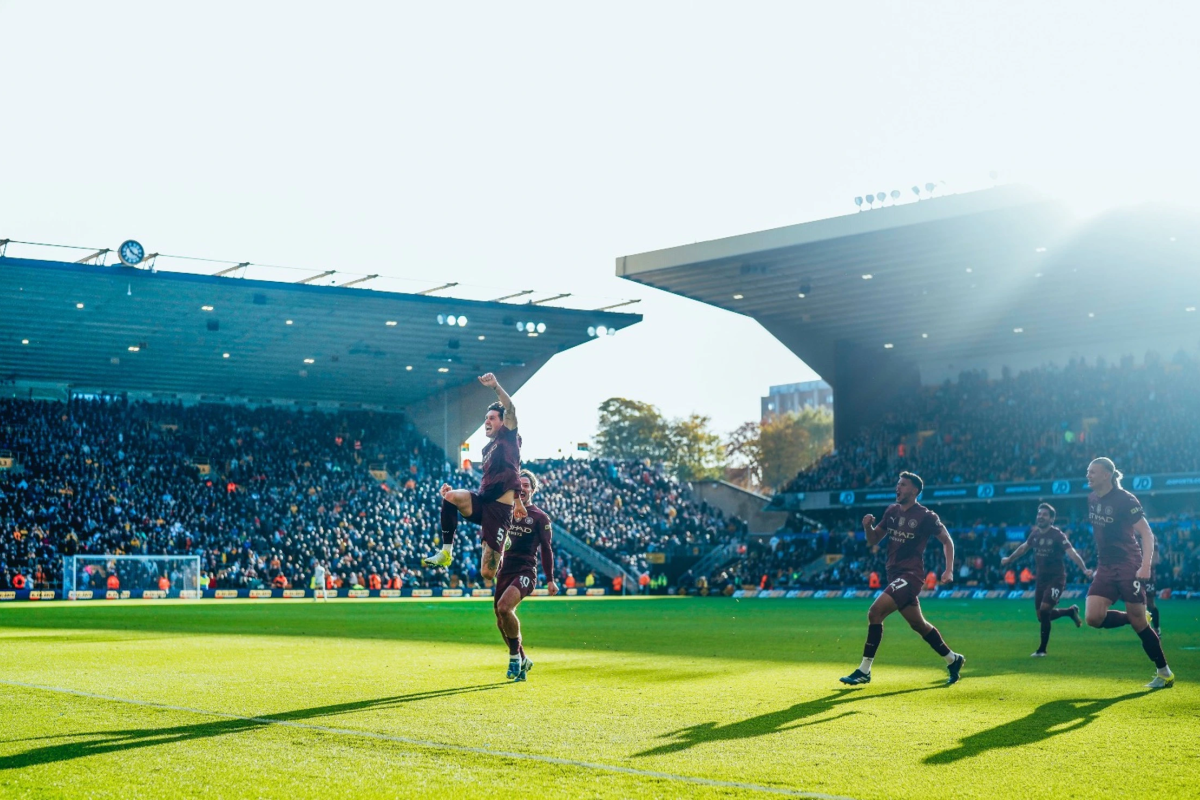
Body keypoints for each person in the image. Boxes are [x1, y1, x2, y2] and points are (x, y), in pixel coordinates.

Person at [840, 472, 965, 686]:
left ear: (915, 490)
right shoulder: (891, 511)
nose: (898, 487)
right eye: (898, 484)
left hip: (911, 575)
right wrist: (867, 527)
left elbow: (947, 541)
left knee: (875, 612)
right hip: (894, 575)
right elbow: (874, 540)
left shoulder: (926, 516)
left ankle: (864, 670)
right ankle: (953, 659)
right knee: (919, 625)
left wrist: (949, 570)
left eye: (903, 484)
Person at [1081, 458, 1173, 688]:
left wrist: (1145, 565)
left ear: (1107, 475)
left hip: (1128, 565)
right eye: (1087, 472)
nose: (1088, 475)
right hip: (1105, 566)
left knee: (1139, 624)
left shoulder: (1126, 500)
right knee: (1093, 618)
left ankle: (1164, 673)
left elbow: (1147, 534)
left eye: (1093, 472)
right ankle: (1137, 617)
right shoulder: (1091, 498)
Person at [422, 373, 524, 581]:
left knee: (487, 573)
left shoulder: (509, 437)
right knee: (449, 497)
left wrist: (496, 386)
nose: (486, 421)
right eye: (486, 418)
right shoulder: (487, 448)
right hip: (482, 501)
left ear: (503, 422)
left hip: (499, 510)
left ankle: (503, 541)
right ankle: (446, 553)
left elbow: (511, 408)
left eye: (492, 418)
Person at [1000, 503, 1092, 656]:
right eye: (1039, 514)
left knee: (1044, 611)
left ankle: (1042, 650)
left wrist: (1084, 569)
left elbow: (1072, 553)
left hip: (1056, 579)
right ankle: (1070, 611)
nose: (1040, 516)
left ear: (1051, 519)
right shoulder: (1035, 534)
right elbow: (1023, 548)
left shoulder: (1057, 535)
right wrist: (1010, 558)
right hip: (1041, 580)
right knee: (1041, 616)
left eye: (1044, 514)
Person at [494, 469, 558, 681]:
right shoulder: (506, 512)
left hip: (525, 571)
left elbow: (547, 549)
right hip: (504, 570)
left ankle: (514, 658)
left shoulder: (539, 517)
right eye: (518, 485)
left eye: (525, 485)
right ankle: (523, 659)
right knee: (501, 620)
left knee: (505, 607)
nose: (521, 489)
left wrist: (550, 579)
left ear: (532, 489)